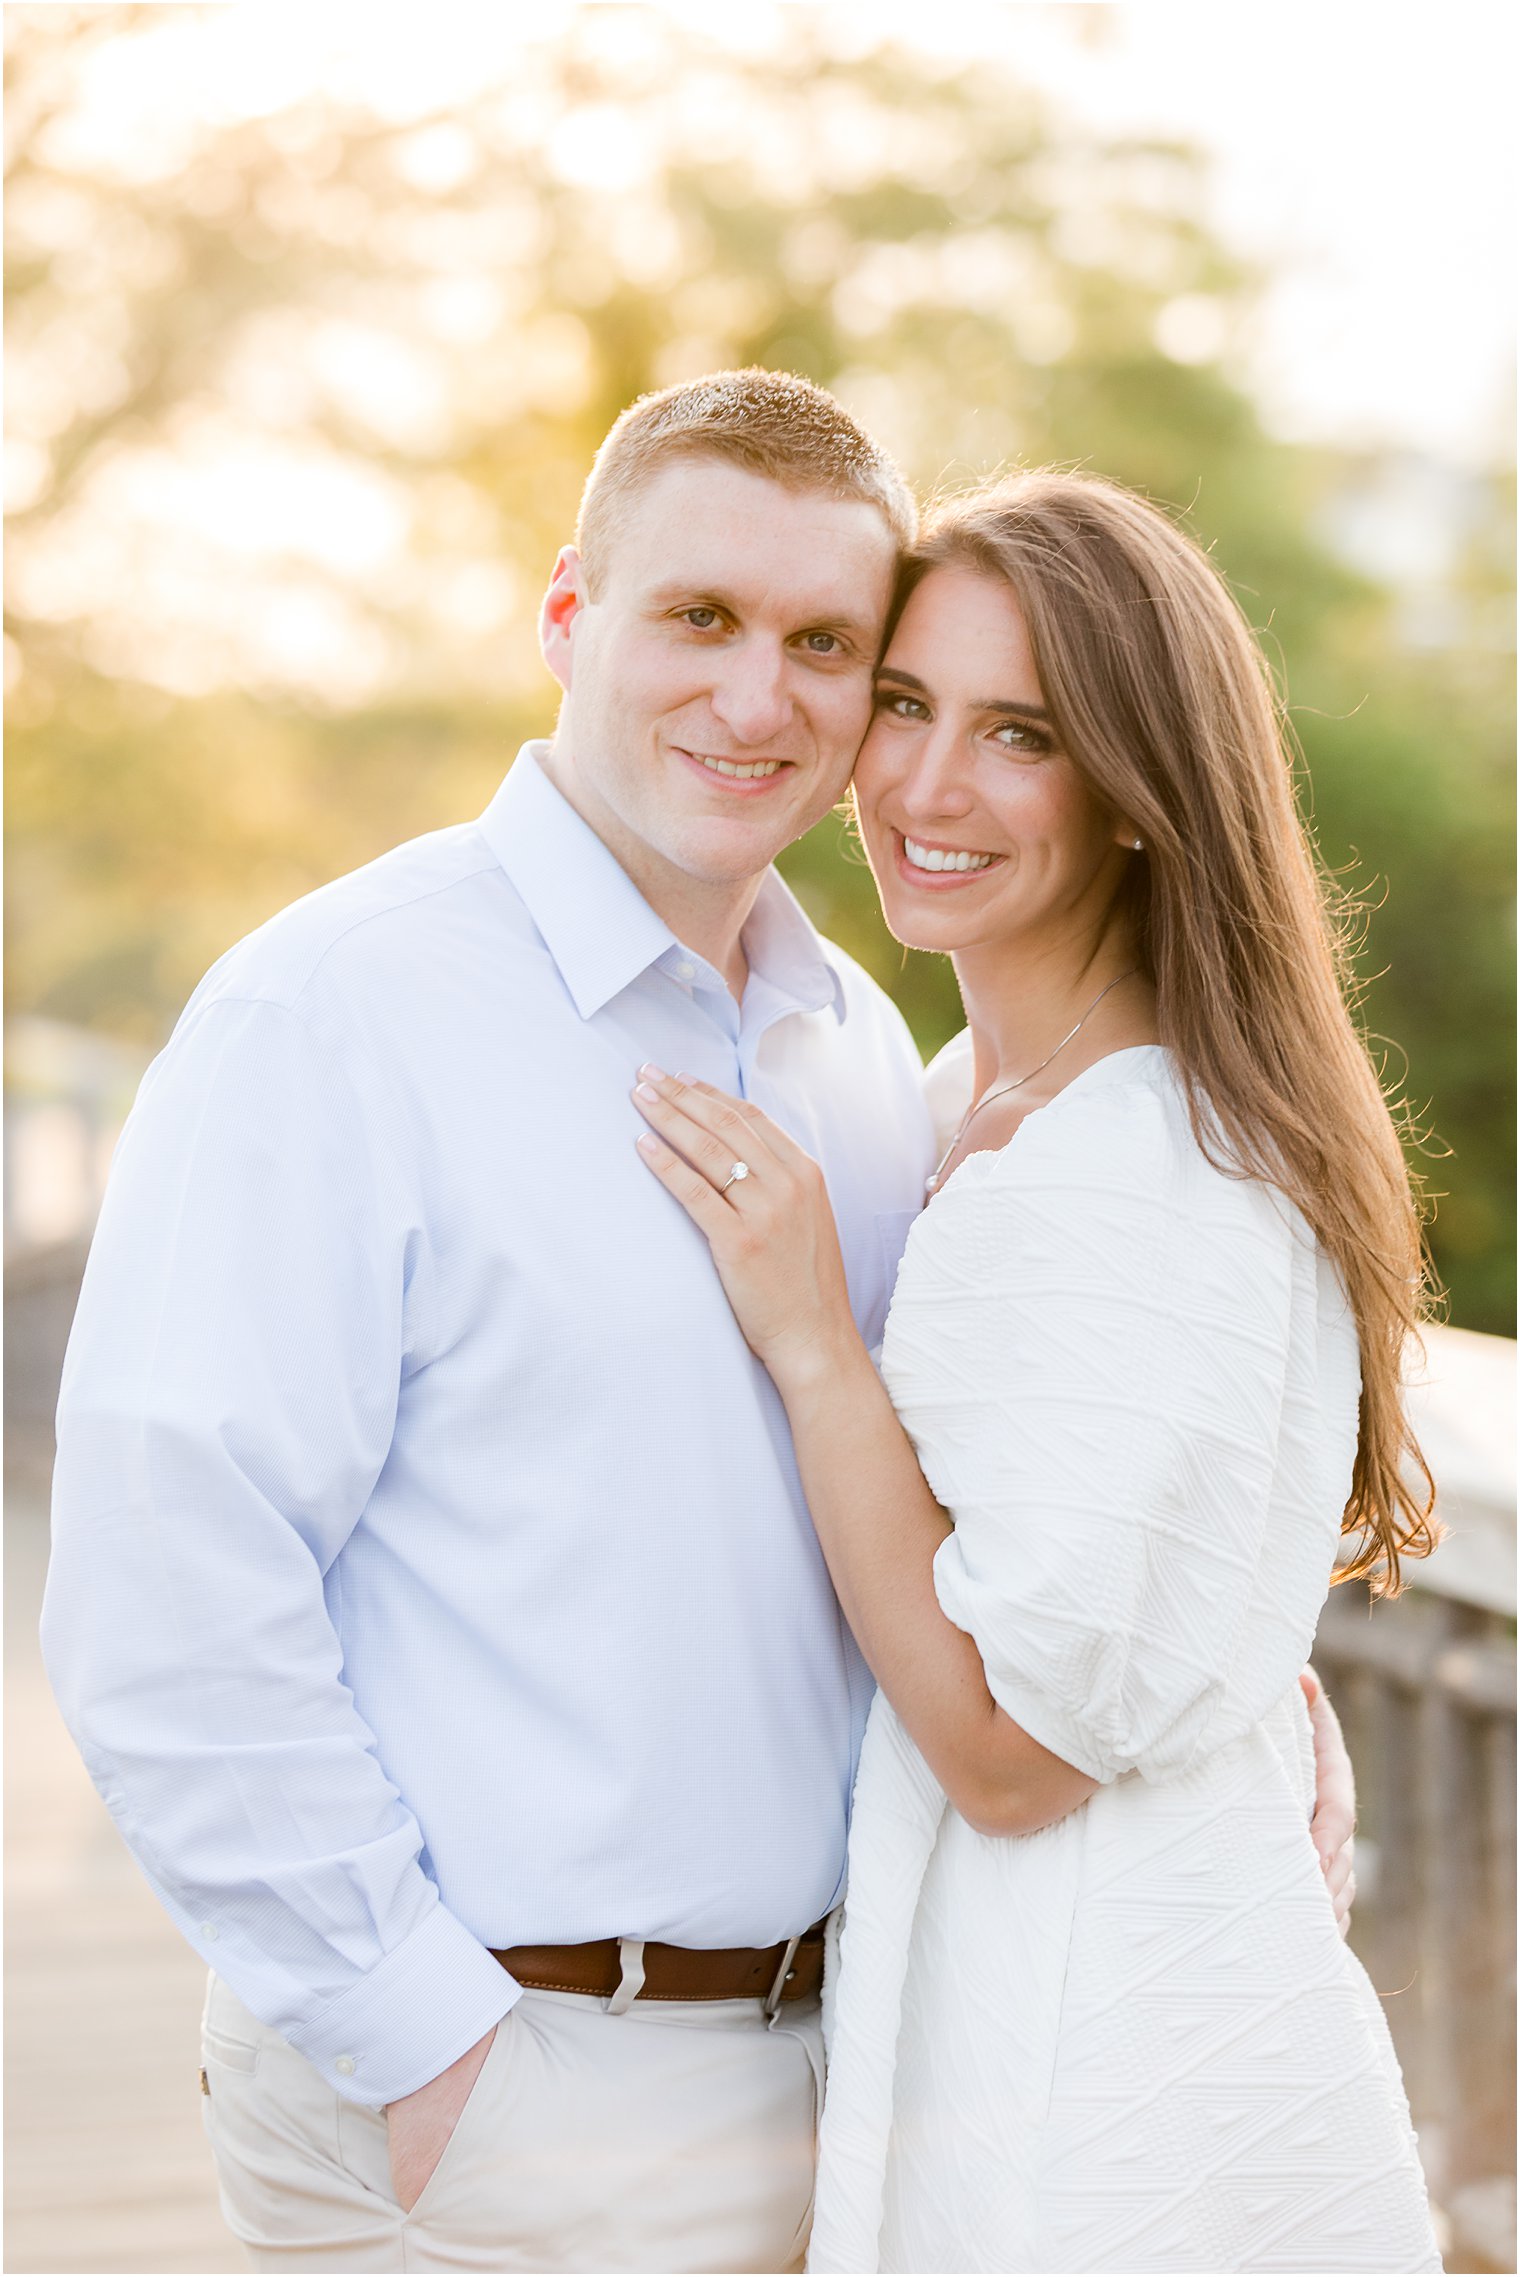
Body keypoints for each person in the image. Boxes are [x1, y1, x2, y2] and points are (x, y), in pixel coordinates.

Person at [42, 373, 1357, 2277]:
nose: (763, 699)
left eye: (832, 645)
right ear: (569, 614)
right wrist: (426, 2046)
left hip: (857, 2087)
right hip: (510, 2095)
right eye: (699, 618)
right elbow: (168, 1593)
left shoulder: (859, 1062)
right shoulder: (335, 1013)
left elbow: (994, 1498)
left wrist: (1224, 1674)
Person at [631, 469, 1441, 2273]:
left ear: (1143, 794)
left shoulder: (1138, 1164)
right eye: (906, 707)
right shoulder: (953, 1101)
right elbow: (1090, 1545)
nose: (925, 784)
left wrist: (814, 1339)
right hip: (1016, 2028)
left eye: (1022, 735)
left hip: (1110, 2088)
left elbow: (1011, 1750)